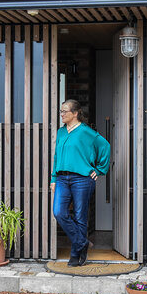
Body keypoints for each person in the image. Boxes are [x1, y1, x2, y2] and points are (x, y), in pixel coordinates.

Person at [51, 100, 110, 267]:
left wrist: (99, 169)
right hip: (62, 178)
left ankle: (76, 254)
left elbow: (105, 146)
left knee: (80, 216)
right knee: (59, 212)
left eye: (64, 111)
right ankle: (82, 242)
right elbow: (57, 156)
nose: (61, 114)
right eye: (61, 111)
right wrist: (53, 178)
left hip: (82, 179)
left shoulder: (86, 132)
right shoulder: (61, 132)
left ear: (75, 113)